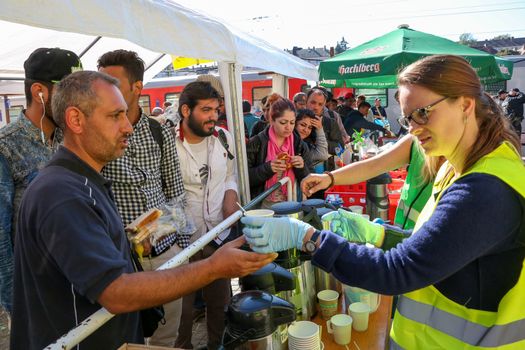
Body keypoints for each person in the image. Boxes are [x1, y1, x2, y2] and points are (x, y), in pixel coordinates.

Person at [242, 55, 525, 349]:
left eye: (424, 113)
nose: (413, 128)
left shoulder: (484, 189)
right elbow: (435, 249)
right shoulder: (460, 167)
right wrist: (377, 233)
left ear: (465, 105)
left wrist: (308, 238)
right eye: (408, 118)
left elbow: (398, 271)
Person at [10, 71, 276, 350]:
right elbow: (116, 292)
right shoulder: (63, 193)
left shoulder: (81, 181)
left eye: (125, 115)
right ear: (76, 120)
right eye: (115, 116)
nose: (128, 127)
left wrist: (128, 243)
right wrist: (213, 267)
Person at [98, 49, 187, 346]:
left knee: (165, 336)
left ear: (137, 88)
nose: (103, 89)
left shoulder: (158, 131)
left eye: (112, 82)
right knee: (123, 337)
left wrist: (181, 249)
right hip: (117, 260)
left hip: (162, 253)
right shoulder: (95, 133)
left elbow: (175, 193)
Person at [0, 47, 82, 319]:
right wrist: (19, 305)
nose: (78, 102)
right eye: (70, 92)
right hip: (34, 298)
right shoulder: (7, 146)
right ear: (39, 92)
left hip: (76, 284)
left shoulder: (68, 139)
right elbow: (1, 240)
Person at [173, 81, 240, 350]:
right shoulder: (169, 142)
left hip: (217, 235)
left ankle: (217, 346)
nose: (213, 116)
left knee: (220, 304)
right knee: (181, 311)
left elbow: (229, 175)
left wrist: (231, 197)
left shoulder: (223, 137)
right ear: (185, 110)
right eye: (206, 110)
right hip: (182, 242)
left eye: (216, 109)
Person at [246, 94, 310, 208]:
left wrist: (301, 167)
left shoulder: (299, 144)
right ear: (272, 120)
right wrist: (268, 168)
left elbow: (308, 179)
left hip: (292, 202)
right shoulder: (257, 142)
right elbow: (245, 178)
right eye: (283, 122)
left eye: (292, 122)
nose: (288, 127)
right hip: (263, 206)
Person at [306, 88, 344, 171]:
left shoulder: (330, 123)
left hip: (325, 171)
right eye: (313, 102)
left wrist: (320, 140)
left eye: (320, 104)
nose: (316, 107)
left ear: (324, 106)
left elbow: (340, 148)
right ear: (306, 101)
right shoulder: (296, 120)